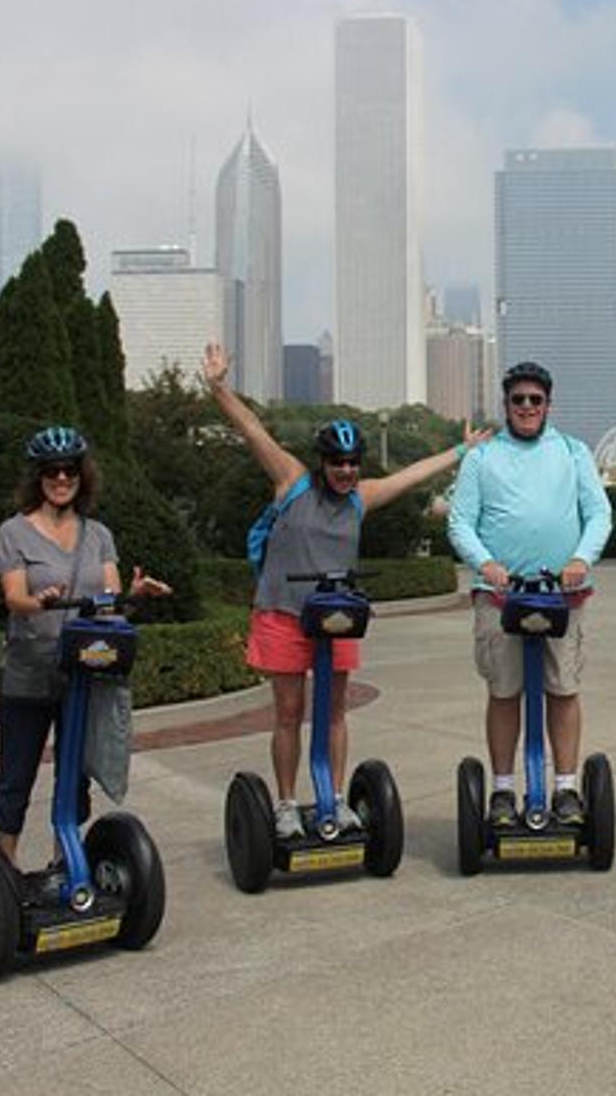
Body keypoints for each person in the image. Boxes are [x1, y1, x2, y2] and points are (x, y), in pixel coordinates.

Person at [204, 342, 487, 840]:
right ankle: (288, 803)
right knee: (289, 712)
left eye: (353, 462)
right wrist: (218, 387)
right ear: (322, 462)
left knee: (333, 712)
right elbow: (252, 431)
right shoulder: (292, 483)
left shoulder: (359, 498)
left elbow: (410, 475)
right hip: (283, 615)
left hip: (335, 619)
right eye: (338, 463)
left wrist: (463, 450)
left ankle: (333, 797)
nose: (347, 471)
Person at [0, 426, 172, 869]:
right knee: (16, 777)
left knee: (73, 779)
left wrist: (134, 595)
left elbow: (107, 609)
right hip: (29, 675)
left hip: (83, 674)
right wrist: (40, 602)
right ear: (37, 477)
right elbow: (14, 598)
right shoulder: (13, 533)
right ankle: (2, 872)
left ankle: (63, 865)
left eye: (69, 470)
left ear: (81, 476)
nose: (60, 479)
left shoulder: (98, 536)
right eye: (51, 471)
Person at [447, 360, 612, 827]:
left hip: (563, 595)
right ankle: (502, 790)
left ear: (548, 405)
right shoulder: (482, 457)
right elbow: (460, 520)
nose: (526, 407)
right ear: (506, 405)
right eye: (517, 399)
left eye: (534, 400)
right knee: (504, 692)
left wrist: (581, 559)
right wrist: (486, 564)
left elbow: (598, 513)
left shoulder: (573, 451)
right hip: (499, 597)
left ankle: (565, 788)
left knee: (563, 689)